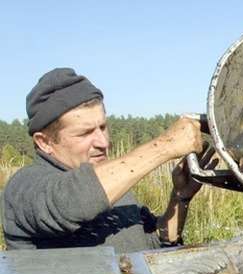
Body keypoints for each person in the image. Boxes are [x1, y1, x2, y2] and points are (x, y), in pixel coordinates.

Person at [2, 67, 215, 253]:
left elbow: (153, 246)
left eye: (103, 127)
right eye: (85, 133)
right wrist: (166, 145)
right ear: (44, 142)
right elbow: (73, 202)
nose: (103, 142)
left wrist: (179, 198)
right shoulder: (24, 187)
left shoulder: (114, 189)